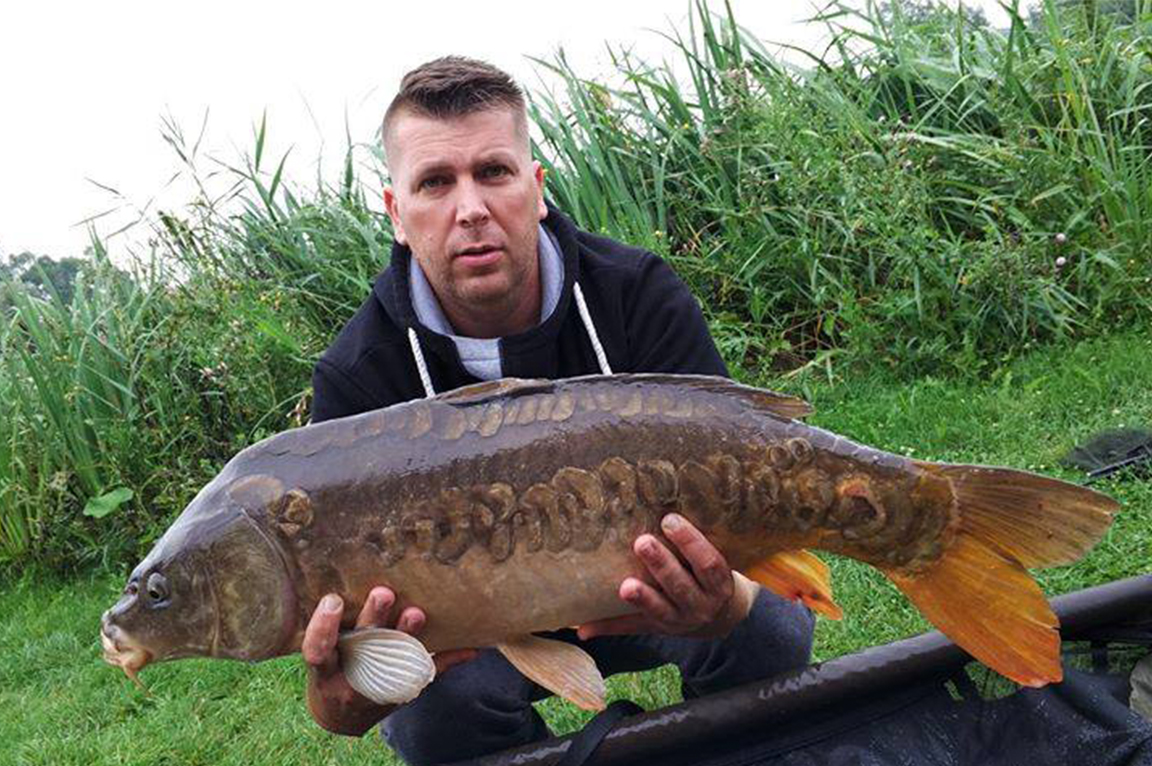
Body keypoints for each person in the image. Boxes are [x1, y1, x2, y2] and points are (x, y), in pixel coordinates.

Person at [303, 56, 815, 765]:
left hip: (647, 591)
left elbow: (744, 485)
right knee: (433, 712)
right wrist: (342, 698)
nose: (470, 208)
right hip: (476, 639)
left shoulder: (636, 295)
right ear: (397, 213)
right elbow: (341, 700)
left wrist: (723, 604)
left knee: (768, 625)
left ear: (537, 189)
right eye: (435, 183)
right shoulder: (359, 379)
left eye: (494, 172)